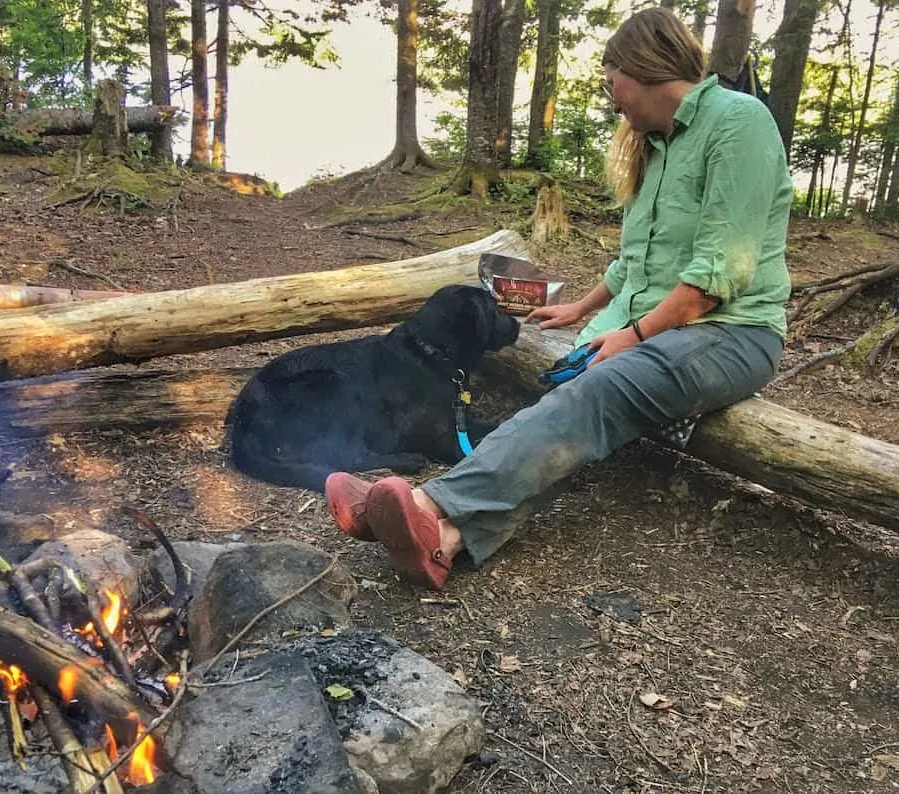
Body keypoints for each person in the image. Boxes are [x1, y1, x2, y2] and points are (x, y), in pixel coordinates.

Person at [324, 6, 793, 590]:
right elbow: (639, 262)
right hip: (664, 330)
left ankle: (424, 506)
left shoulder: (737, 122)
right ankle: (442, 538)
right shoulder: (661, 143)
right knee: (560, 402)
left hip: (731, 334)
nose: (610, 94)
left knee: (598, 390)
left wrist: (635, 335)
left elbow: (717, 275)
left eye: (611, 77)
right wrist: (582, 309)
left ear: (643, 65)